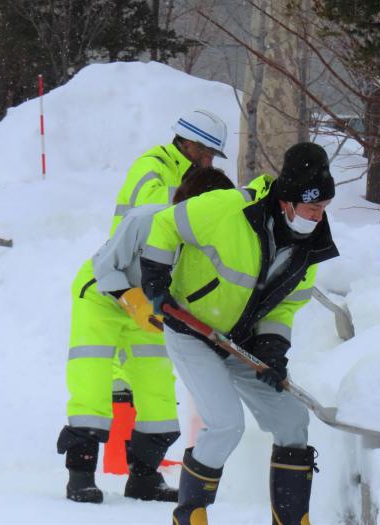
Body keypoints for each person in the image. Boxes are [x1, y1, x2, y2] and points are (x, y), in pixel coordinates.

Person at [139, 142, 340, 525]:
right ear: (286, 201)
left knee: (292, 420)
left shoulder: (312, 246)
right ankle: (191, 515)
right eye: (312, 207)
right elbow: (167, 224)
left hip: (244, 342)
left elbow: (285, 305)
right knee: (226, 424)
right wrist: (155, 279)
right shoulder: (229, 208)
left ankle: (292, 518)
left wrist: (272, 347)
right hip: (192, 330)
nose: (318, 217)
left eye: (324, 208)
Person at [57, 167, 235, 505]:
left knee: (158, 392)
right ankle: (80, 476)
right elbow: (105, 266)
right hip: (102, 296)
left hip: (151, 309)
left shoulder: (210, 241)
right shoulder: (145, 220)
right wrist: (131, 299)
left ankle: (144, 478)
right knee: (92, 383)